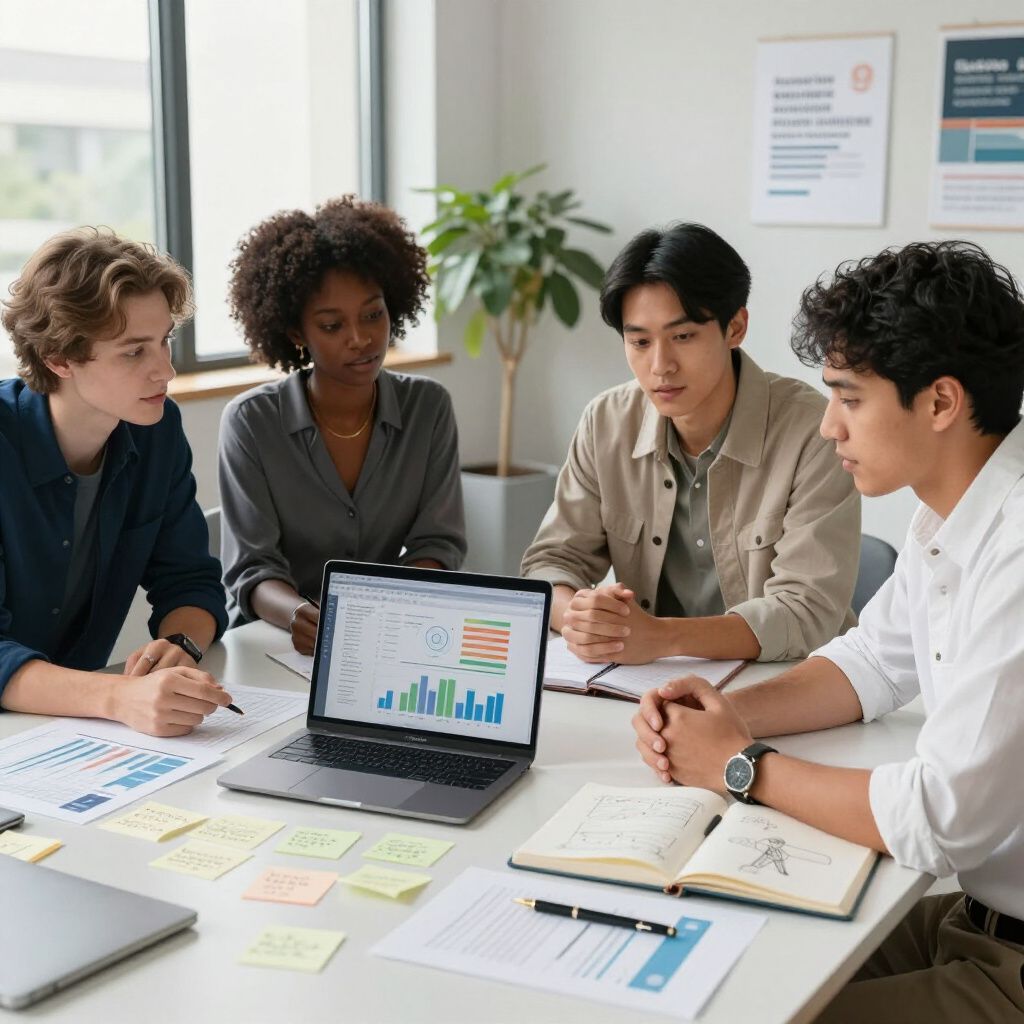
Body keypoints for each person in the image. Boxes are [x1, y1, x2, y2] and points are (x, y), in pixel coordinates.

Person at [632, 240, 1024, 1021]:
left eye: (848, 397)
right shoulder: (952, 513)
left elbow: (940, 818)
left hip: (1012, 961)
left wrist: (742, 766)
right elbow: (872, 661)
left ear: (941, 402)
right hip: (971, 920)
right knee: (730, 966)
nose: (827, 427)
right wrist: (728, 713)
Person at [521, 223, 860, 664]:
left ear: (735, 327)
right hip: (646, 681)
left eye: (682, 337)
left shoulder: (812, 430)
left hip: (787, 679)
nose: (660, 366)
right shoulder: (605, 422)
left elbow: (806, 611)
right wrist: (579, 618)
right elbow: (551, 561)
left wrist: (662, 638)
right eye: (640, 341)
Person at [0, 228, 232, 737]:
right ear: (58, 358)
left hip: (71, 731)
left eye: (165, 341)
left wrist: (182, 646)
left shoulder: (157, 429)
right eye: (134, 352)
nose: (166, 370)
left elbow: (190, 580)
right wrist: (120, 697)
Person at [219, 196, 466, 653]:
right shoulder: (251, 422)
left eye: (374, 315)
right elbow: (252, 568)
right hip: (272, 645)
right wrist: (299, 614)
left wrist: (385, 611)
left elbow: (438, 543)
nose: (361, 339)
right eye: (332, 326)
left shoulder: (428, 408)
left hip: (389, 637)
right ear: (297, 333)